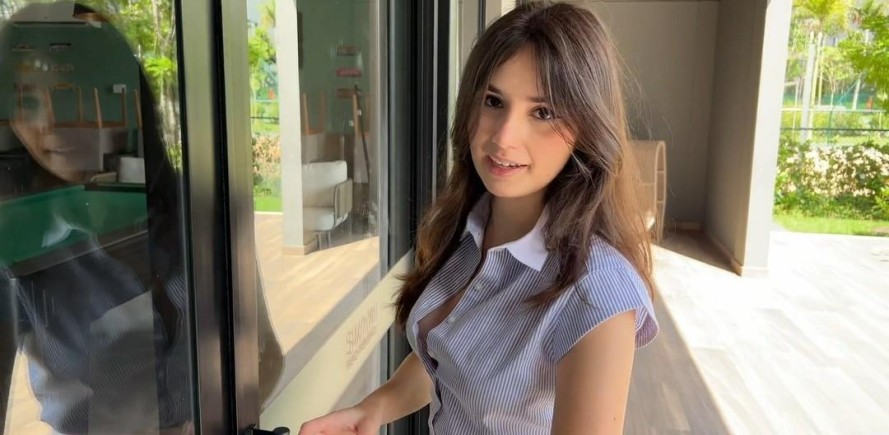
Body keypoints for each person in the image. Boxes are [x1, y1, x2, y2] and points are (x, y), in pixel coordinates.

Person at [299, 2, 659, 434]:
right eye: (493, 101)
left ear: (587, 128)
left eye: (542, 112)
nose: (504, 137)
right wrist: (373, 409)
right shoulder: (469, 228)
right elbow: (452, 358)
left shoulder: (595, 292)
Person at [0, 2, 282, 433]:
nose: (50, 121)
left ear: (122, 96)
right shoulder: (15, 245)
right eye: (27, 101)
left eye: (70, 91)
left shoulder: (200, 205)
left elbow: (265, 355)